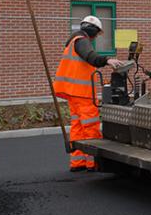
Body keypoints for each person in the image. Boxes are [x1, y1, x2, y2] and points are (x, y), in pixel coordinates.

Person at [53, 15, 124, 172]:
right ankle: (93, 163)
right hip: (81, 93)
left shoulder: (73, 41)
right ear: (93, 31)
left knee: (78, 126)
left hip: (72, 92)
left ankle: (78, 162)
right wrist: (108, 60)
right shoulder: (81, 41)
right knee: (90, 126)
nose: (95, 38)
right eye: (97, 34)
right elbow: (91, 57)